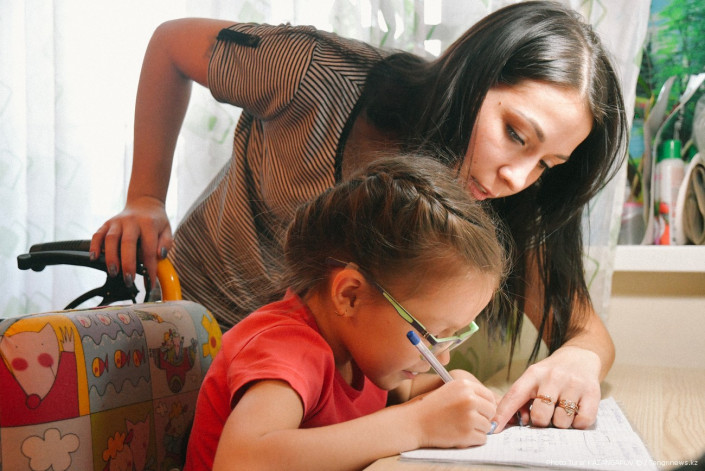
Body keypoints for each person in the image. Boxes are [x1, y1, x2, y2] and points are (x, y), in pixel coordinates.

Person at [90, 1, 628, 432]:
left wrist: (578, 360)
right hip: (187, 347)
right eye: (514, 133)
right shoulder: (313, 74)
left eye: (548, 165)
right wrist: (145, 197)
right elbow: (172, 44)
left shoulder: (499, 195)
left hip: (319, 410)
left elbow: (584, 330)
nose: (518, 177)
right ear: (472, 76)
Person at [184, 155, 508, 470]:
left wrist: (454, 390)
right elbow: (241, 461)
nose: (444, 358)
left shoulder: (363, 349)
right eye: (432, 335)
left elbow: (405, 393)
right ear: (351, 295)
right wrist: (418, 425)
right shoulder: (286, 349)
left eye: (452, 336)